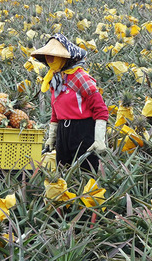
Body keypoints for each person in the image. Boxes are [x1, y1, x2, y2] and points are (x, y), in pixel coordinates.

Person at [31, 33, 108, 172]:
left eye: (53, 56)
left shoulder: (80, 77)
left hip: (82, 130)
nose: (50, 59)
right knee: (63, 171)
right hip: (63, 130)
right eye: (48, 56)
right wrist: (52, 137)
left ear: (64, 57)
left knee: (85, 172)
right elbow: (56, 111)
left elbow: (100, 108)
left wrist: (99, 139)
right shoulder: (55, 79)